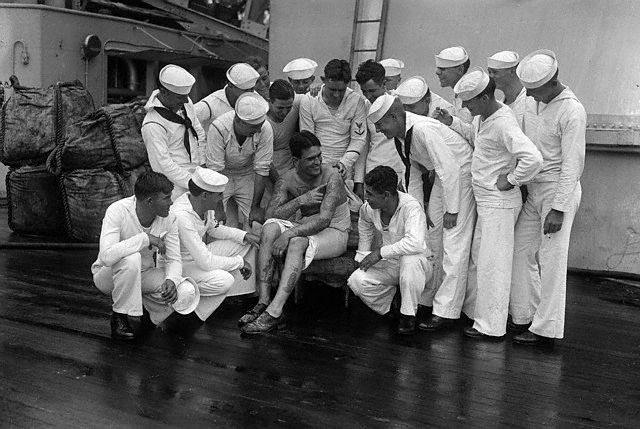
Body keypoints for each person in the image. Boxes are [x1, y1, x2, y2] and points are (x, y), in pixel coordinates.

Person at [447, 69, 543, 339]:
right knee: (482, 258)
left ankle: (491, 327)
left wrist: (512, 179)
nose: (466, 106)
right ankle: (490, 317)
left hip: (499, 203)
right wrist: (453, 122)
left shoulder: (503, 122)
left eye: (469, 101)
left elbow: (533, 158)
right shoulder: (483, 118)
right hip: (486, 203)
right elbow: (480, 141)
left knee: (494, 264)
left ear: (486, 97)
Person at [368, 94, 475, 327]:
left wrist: (453, 210)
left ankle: (447, 311)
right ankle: (428, 299)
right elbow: (413, 173)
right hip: (442, 177)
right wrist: (418, 210)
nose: (378, 130)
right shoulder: (400, 136)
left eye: (380, 125)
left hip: (461, 175)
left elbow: (452, 168)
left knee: (454, 242)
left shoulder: (423, 129)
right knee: (432, 236)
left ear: (395, 117)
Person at [239, 131, 351, 334]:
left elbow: (324, 219)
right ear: (295, 160)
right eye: (310, 158)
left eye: (319, 156)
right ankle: (264, 301)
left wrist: (289, 234)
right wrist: (301, 200)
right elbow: (271, 214)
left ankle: (275, 311)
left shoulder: (331, 178)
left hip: (334, 231)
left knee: (297, 242)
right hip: (305, 227)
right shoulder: (287, 179)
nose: (317, 162)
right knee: (271, 227)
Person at [510, 50, 586, 345]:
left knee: (552, 260)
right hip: (535, 188)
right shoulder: (532, 100)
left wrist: (559, 208)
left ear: (552, 82)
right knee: (520, 249)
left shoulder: (572, 111)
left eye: (534, 90)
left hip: (558, 191)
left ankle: (546, 330)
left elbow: (573, 163)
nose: (529, 95)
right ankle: (526, 315)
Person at [92, 172, 191, 340]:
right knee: (131, 259)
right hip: (108, 277)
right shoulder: (117, 210)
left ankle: (149, 314)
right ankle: (120, 317)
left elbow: (174, 259)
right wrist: (145, 239)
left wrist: (172, 280)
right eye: (166, 198)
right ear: (150, 201)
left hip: (144, 274)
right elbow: (107, 256)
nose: (171, 202)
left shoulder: (170, 218)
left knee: (184, 290)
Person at [348, 166, 433, 334]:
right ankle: (392, 305)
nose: (366, 197)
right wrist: (363, 254)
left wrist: (380, 253)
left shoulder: (411, 207)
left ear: (386, 195)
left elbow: (415, 244)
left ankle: (408, 316)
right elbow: (364, 223)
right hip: (391, 265)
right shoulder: (369, 208)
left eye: (370, 194)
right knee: (356, 280)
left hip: (420, 265)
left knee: (410, 260)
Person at [171, 167, 261, 322]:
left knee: (246, 243)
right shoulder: (181, 216)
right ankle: (193, 312)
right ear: (205, 195)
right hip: (180, 265)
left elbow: (213, 229)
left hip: (197, 256)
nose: (221, 198)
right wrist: (240, 263)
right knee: (224, 280)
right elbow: (206, 262)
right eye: (219, 195)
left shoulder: (203, 206)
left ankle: (235, 295)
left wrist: (244, 235)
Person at [205, 92, 273, 228]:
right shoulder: (219, 128)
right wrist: (218, 209)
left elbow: (262, 170)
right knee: (215, 223)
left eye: (260, 124)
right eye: (253, 127)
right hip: (221, 176)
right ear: (237, 120)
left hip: (247, 174)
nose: (259, 129)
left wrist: (255, 207)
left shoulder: (265, 128)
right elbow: (215, 171)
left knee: (257, 224)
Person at [142, 64, 206, 200]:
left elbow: (198, 131)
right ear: (164, 92)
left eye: (186, 96)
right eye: (179, 97)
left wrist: (202, 164)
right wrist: (191, 182)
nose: (185, 100)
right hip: (173, 185)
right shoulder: (153, 124)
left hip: (197, 174)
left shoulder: (185, 103)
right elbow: (162, 164)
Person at [299, 59, 367, 181]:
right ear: (323, 79)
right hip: (315, 168)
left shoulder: (356, 101)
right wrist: (321, 166)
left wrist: (344, 163)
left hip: (344, 169)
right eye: (332, 90)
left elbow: (359, 139)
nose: (336, 95)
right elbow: (307, 138)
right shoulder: (309, 100)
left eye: (341, 90)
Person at [353, 60, 405, 199]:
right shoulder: (364, 106)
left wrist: (407, 176)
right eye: (364, 91)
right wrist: (359, 180)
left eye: (372, 91)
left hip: (399, 170)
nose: (369, 96)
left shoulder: (400, 102)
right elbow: (362, 143)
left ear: (383, 83)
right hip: (374, 169)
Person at [195, 63, 260, 134]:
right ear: (230, 85)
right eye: (245, 90)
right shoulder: (209, 105)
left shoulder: (255, 97)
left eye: (252, 89)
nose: (250, 93)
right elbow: (190, 122)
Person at [432, 46, 474, 125]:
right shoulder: (459, 90)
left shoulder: (468, 92)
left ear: (460, 70)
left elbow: (470, 132)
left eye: (443, 69)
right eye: (438, 68)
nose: (437, 72)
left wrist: (450, 121)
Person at [487, 51, 526, 129]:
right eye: (489, 72)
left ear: (512, 71)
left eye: (495, 72)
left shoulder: (529, 101)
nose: (491, 76)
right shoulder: (500, 105)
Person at [267, 79, 298, 175]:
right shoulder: (262, 124)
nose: (284, 112)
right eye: (280, 108)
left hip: (292, 171)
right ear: (269, 101)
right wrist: (279, 182)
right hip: (270, 174)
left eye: (288, 107)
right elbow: (265, 161)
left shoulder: (295, 108)